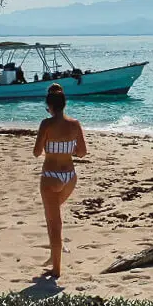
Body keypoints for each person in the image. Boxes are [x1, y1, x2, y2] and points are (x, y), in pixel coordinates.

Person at [33, 84, 86, 280]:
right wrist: (66, 149)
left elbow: (37, 152)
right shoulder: (75, 124)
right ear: (64, 105)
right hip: (70, 177)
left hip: (51, 177)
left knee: (54, 222)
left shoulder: (46, 124)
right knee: (53, 218)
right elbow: (82, 152)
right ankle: (53, 255)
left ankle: (56, 268)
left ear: (49, 106)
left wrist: (50, 147)